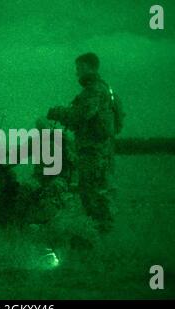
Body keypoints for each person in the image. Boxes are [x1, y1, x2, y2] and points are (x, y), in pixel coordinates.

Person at [47, 53, 125, 233]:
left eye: (79, 68)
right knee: (100, 191)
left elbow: (80, 116)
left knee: (92, 194)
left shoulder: (94, 91)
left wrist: (58, 112)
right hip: (104, 151)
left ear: (89, 67)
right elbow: (117, 123)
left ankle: (101, 236)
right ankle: (103, 234)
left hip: (93, 152)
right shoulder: (107, 90)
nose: (77, 73)